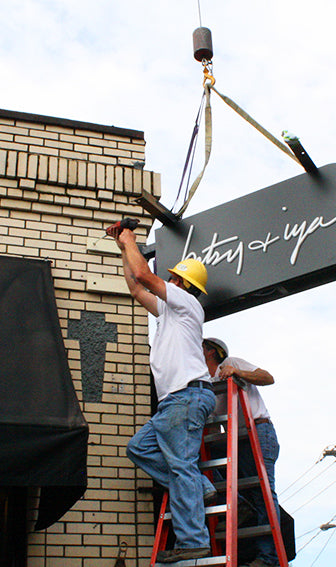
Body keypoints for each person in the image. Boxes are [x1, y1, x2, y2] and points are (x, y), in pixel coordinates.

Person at [107, 222, 216, 564]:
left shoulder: (185, 303)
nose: (168, 281)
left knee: (180, 466)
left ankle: (194, 539)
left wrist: (129, 240)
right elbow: (137, 290)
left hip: (186, 397)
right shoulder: (169, 312)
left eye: (173, 277)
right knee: (139, 449)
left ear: (184, 284)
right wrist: (125, 248)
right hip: (174, 403)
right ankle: (200, 486)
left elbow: (143, 276)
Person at [203, 337, 282, 567]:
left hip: (258, 431)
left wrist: (236, 372)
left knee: (263, 492)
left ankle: (270, 559)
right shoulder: (209, 383)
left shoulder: (232, 363)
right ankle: (239, 504)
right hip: (237, 439)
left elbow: (268, 377)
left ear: (209, 352)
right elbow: (213, 424)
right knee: (205, 463)